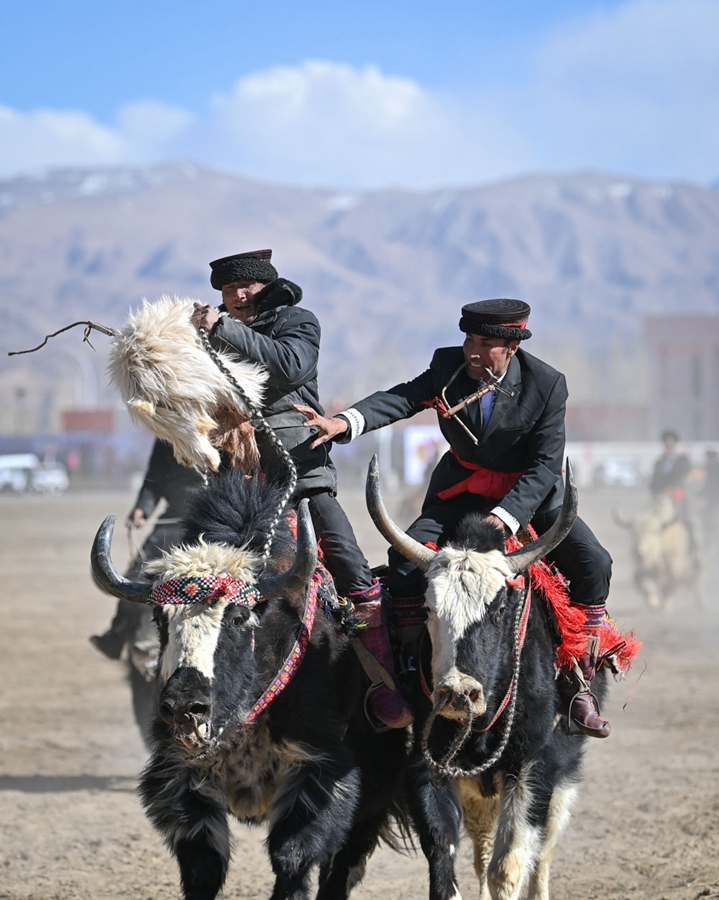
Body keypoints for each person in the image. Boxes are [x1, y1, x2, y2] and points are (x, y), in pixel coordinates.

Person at [298, 298, 614, 739]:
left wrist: (506, 517)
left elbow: (546, 466)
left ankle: (577, 681)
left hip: (531, 499)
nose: (472, 351)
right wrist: (343, 422)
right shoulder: (447, 367)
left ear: (512, 347)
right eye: (469, 340)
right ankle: (405, 674)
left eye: (485, 344)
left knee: (595, 563)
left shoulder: (547, 384)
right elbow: (401, 398)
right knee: (404, 562)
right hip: (461, 492)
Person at [189, 249, 412, 729]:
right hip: (237, 482)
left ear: (266, 286)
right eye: (227, 291)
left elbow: (290, 366)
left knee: (350, 566)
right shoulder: (209, 334)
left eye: (245, 287)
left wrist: (221, 329)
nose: (236, 296)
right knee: (197, 577)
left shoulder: (297, 322)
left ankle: (383, 684)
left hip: (300, 473)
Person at [91, 438, 204, 659]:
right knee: (136, 575)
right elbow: (154, 479)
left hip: (214, 519)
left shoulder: (222, 431)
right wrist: (142, 508)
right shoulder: (166, 437)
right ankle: (117, 634)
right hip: (173, 520)